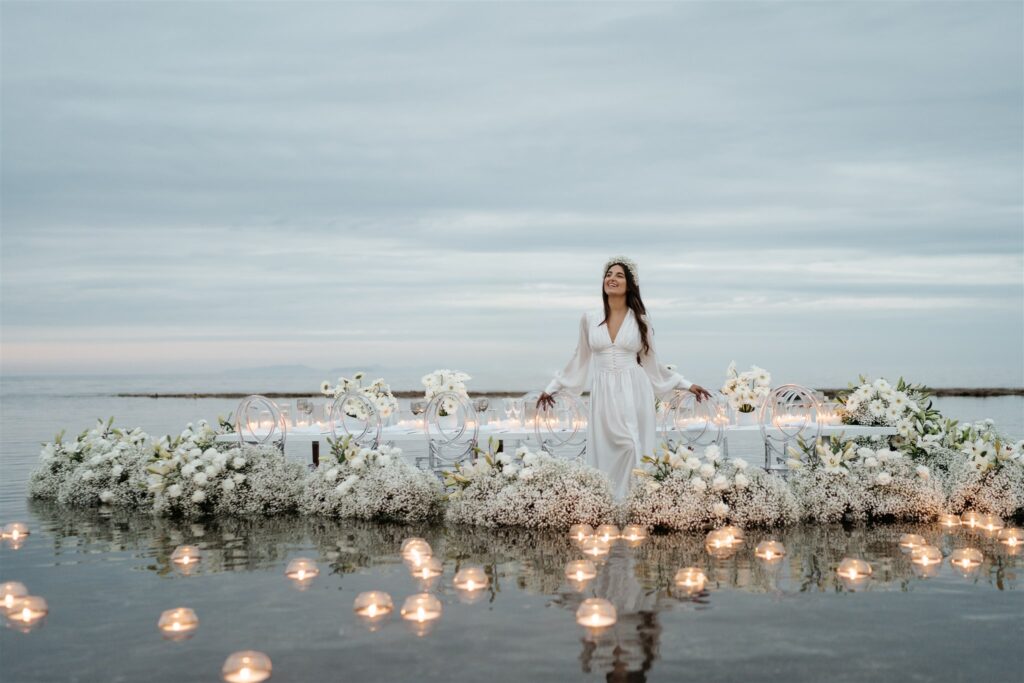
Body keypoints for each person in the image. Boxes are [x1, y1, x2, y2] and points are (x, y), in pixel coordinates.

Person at [537, 257, 711, 500]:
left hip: (634, 390)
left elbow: (652, 363)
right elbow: (579, 358)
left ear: (630, 284)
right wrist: (552, 387)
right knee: (606, 450)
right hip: (603, 391)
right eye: (609, 274)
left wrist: (685, 384)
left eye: (619, 275)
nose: (612, 278)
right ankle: (608, 504)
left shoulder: (641, 320)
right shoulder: (589, 318)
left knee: (631, 444)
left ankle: (634, 503)